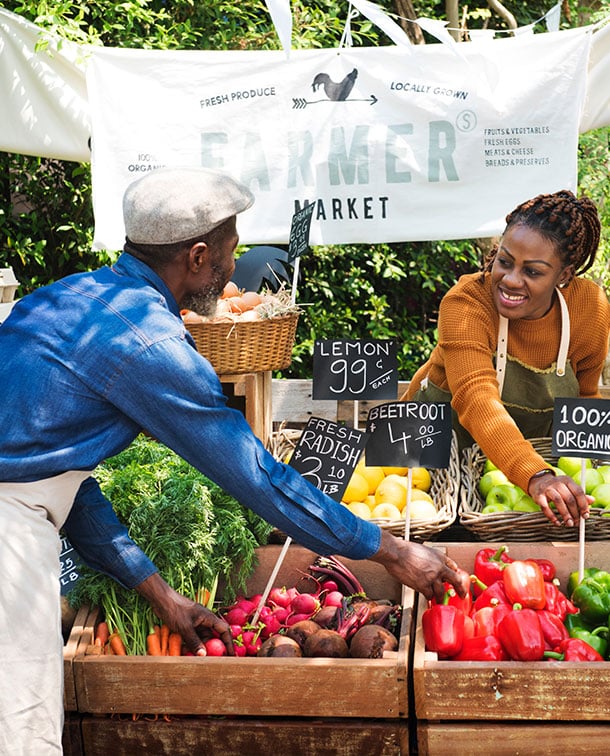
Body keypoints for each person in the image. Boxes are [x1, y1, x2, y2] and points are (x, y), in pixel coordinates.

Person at [0, 166, 468, 754]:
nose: (232, 265)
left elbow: (64, 484)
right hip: (7, 542)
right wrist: (391, 549)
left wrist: (162, 597)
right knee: (20, 730)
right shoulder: (153, 345)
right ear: (198, 256)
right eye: (230, 250)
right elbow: (257, 478)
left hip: (16, 513)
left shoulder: (66, 297)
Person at [403, 189, 610, 529]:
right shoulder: (466, 302)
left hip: (509, 484)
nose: (511, 280)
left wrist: (593, 473)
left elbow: (583, 400)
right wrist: (537, 474)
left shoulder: (589, 308)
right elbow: (476, 397)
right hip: (427, 469)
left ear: (564, 274)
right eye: (504, 261)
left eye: (533, 271)